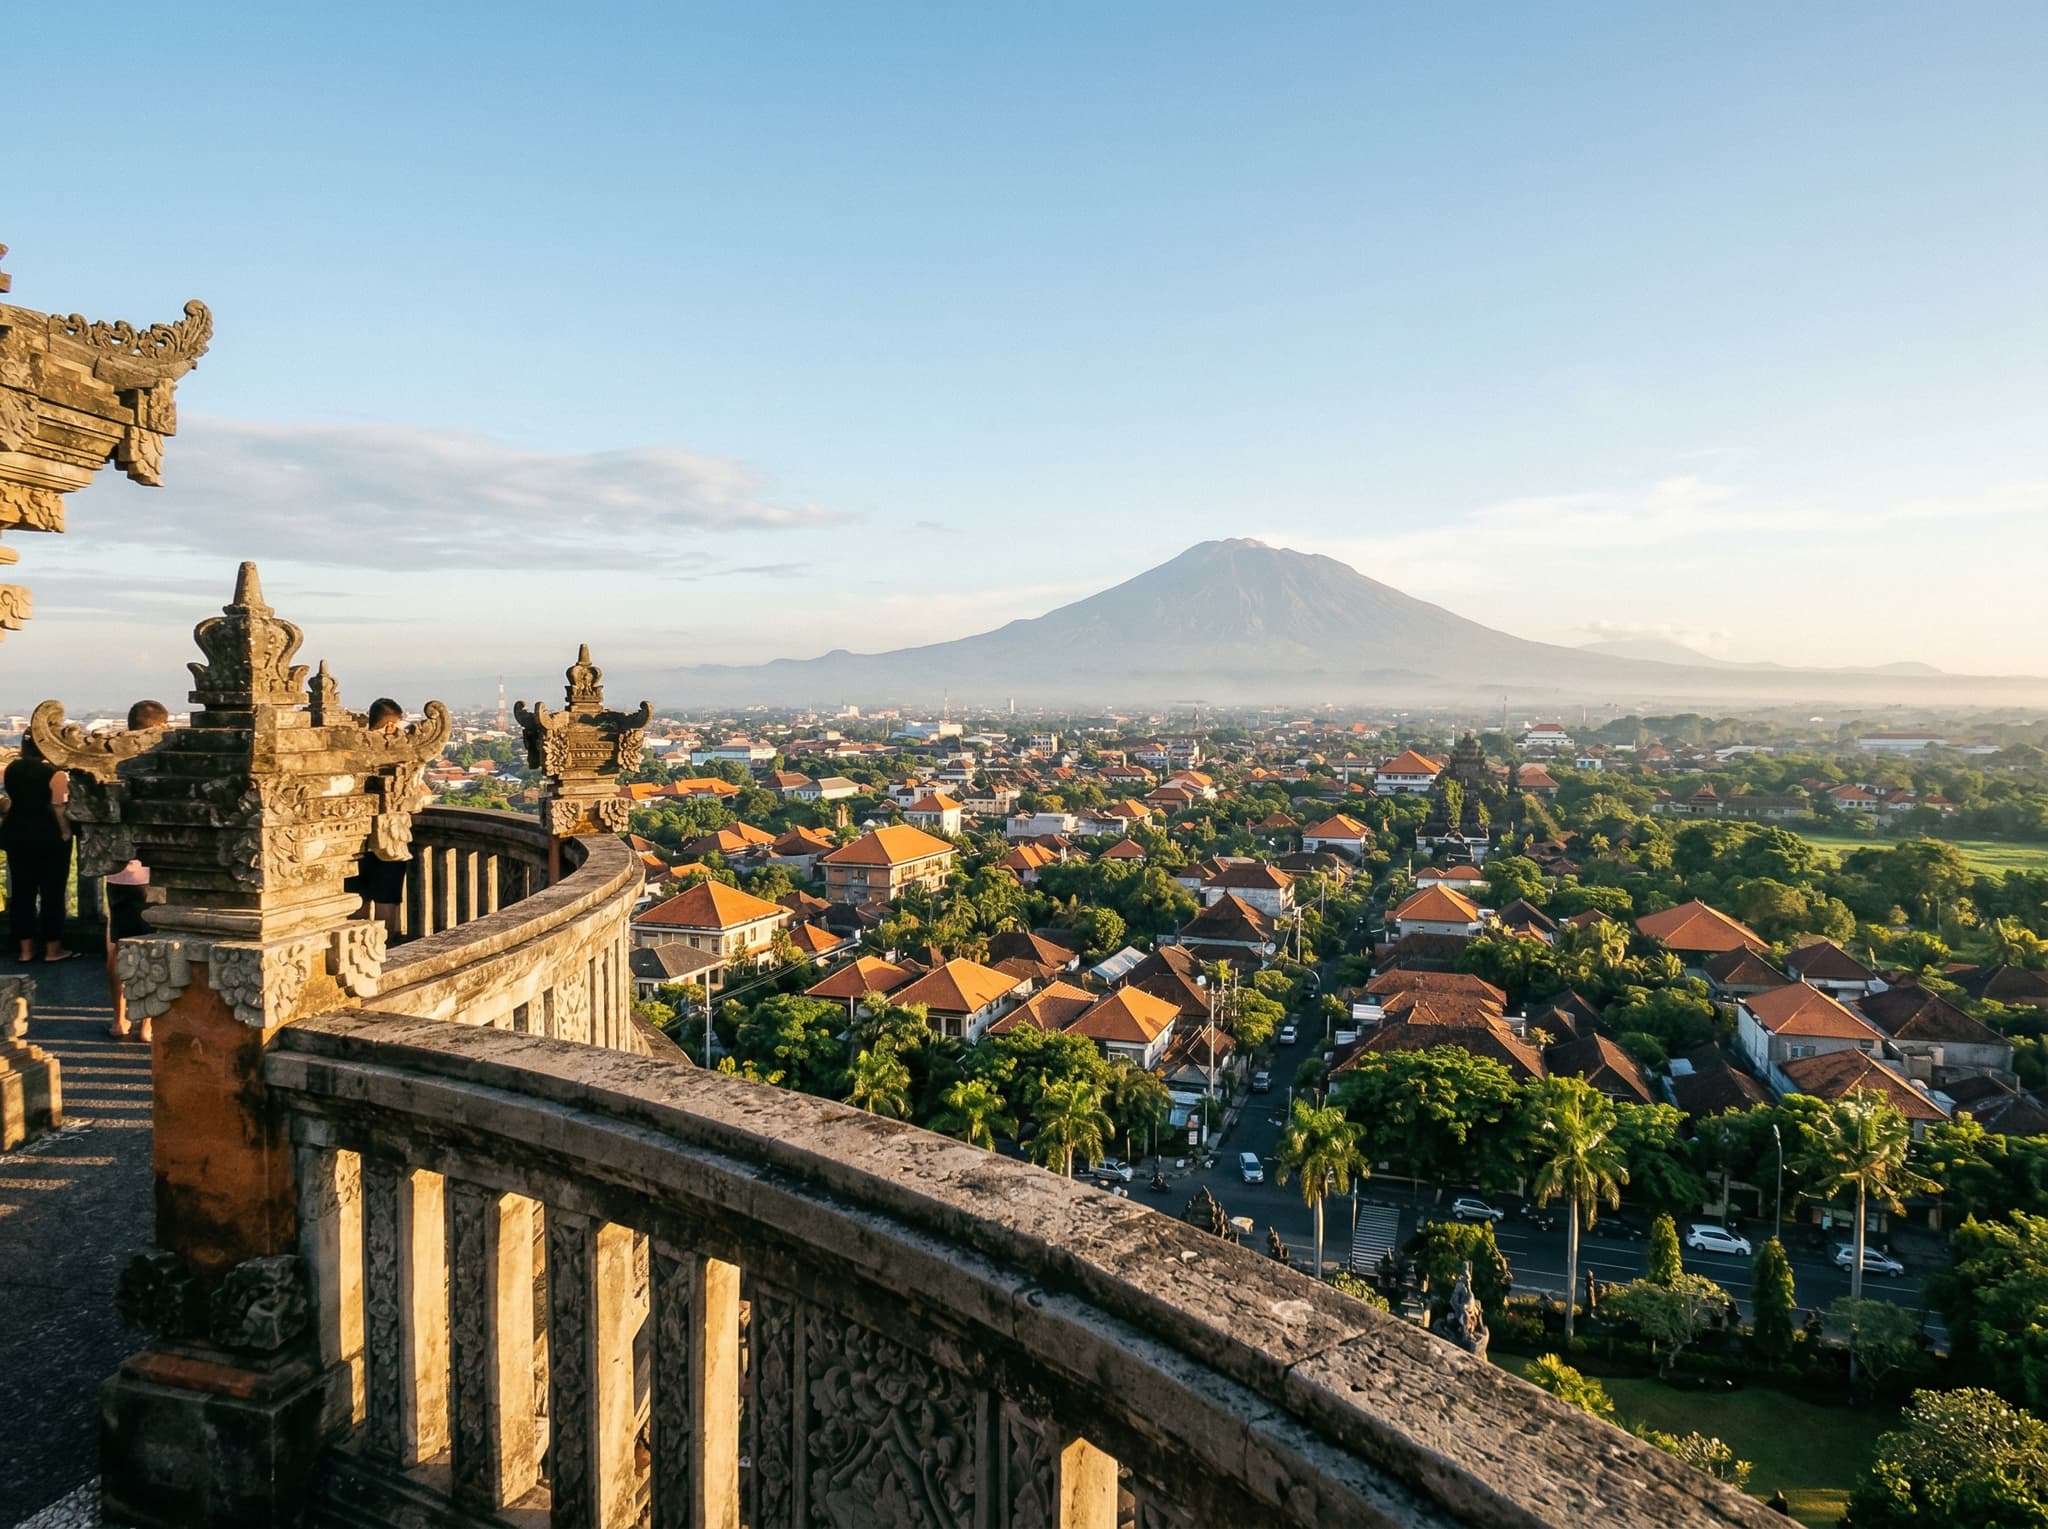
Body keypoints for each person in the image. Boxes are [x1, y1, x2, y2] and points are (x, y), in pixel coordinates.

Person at [105, 699, 169, 1040]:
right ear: (159, 727)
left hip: (118, 869)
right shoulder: (160, 765)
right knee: (154, 948)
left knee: (117, 945)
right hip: (154, 869)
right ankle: (147, 1022)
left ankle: (119, 1019)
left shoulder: (112, 765)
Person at [2, 733, 76, 961]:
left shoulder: (12, 769)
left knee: (23, 892)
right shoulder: (55, 774)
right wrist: (65, 831)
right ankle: (53, 949)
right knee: (52, 892)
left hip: (16, 834)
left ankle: (25, 949)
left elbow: (11, 800)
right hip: (48, 836)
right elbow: (58, 806)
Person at [354, 698, 411, 932]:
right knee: (386, 898)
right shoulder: (397, 755)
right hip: (389, 837)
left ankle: (355, 948)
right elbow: (414, 794)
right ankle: (388, 946)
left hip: (353, 837)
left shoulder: (352, 750)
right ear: (390, 726)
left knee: (357, 899)